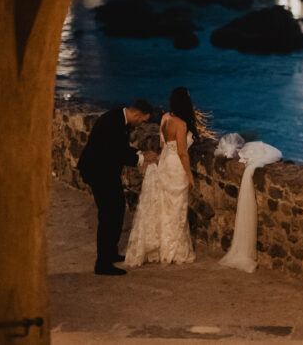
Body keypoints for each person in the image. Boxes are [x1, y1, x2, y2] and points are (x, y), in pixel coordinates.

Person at [125, 87, 207, 266]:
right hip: (176, 166)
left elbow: (163, 145)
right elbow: (182, 153)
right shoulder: (181, 124)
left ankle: (164, 248)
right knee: (176, 208)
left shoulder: (165, 118)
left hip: (164, 163)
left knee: (164, 207)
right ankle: (173, 251)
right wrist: (190, 176)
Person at [76, 99, 158, 275]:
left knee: (118, 209)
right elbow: (113, 152)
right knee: (108, 215)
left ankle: (111, 253)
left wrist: (139, 153)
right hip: (98, 171)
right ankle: (102, 263)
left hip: (107, 172)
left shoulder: (120, 120)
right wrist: (142, 159)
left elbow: (120, 147)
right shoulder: (112, 121)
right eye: (143, 120)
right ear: (136, 114)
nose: (143, 125)